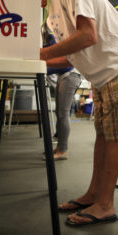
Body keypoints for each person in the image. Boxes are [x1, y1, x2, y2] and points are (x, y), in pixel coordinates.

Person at [40, 0, 118, 226]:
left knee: (114, 134)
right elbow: (73, 56)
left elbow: (88, 36)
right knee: (103, 133)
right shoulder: (50, 12)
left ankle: (106, 205)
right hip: (101, 73)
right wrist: (38, 60)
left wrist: (39, 53)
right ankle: (94, 195)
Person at [41, 25, 82, 161]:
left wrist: (43, 66)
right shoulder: (51, 40)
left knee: (63, 114)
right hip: (65, 75)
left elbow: (65, 64)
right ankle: (60, 147)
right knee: (59, 113)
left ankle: (62, 150)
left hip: (70, 75)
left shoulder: (54, 39)